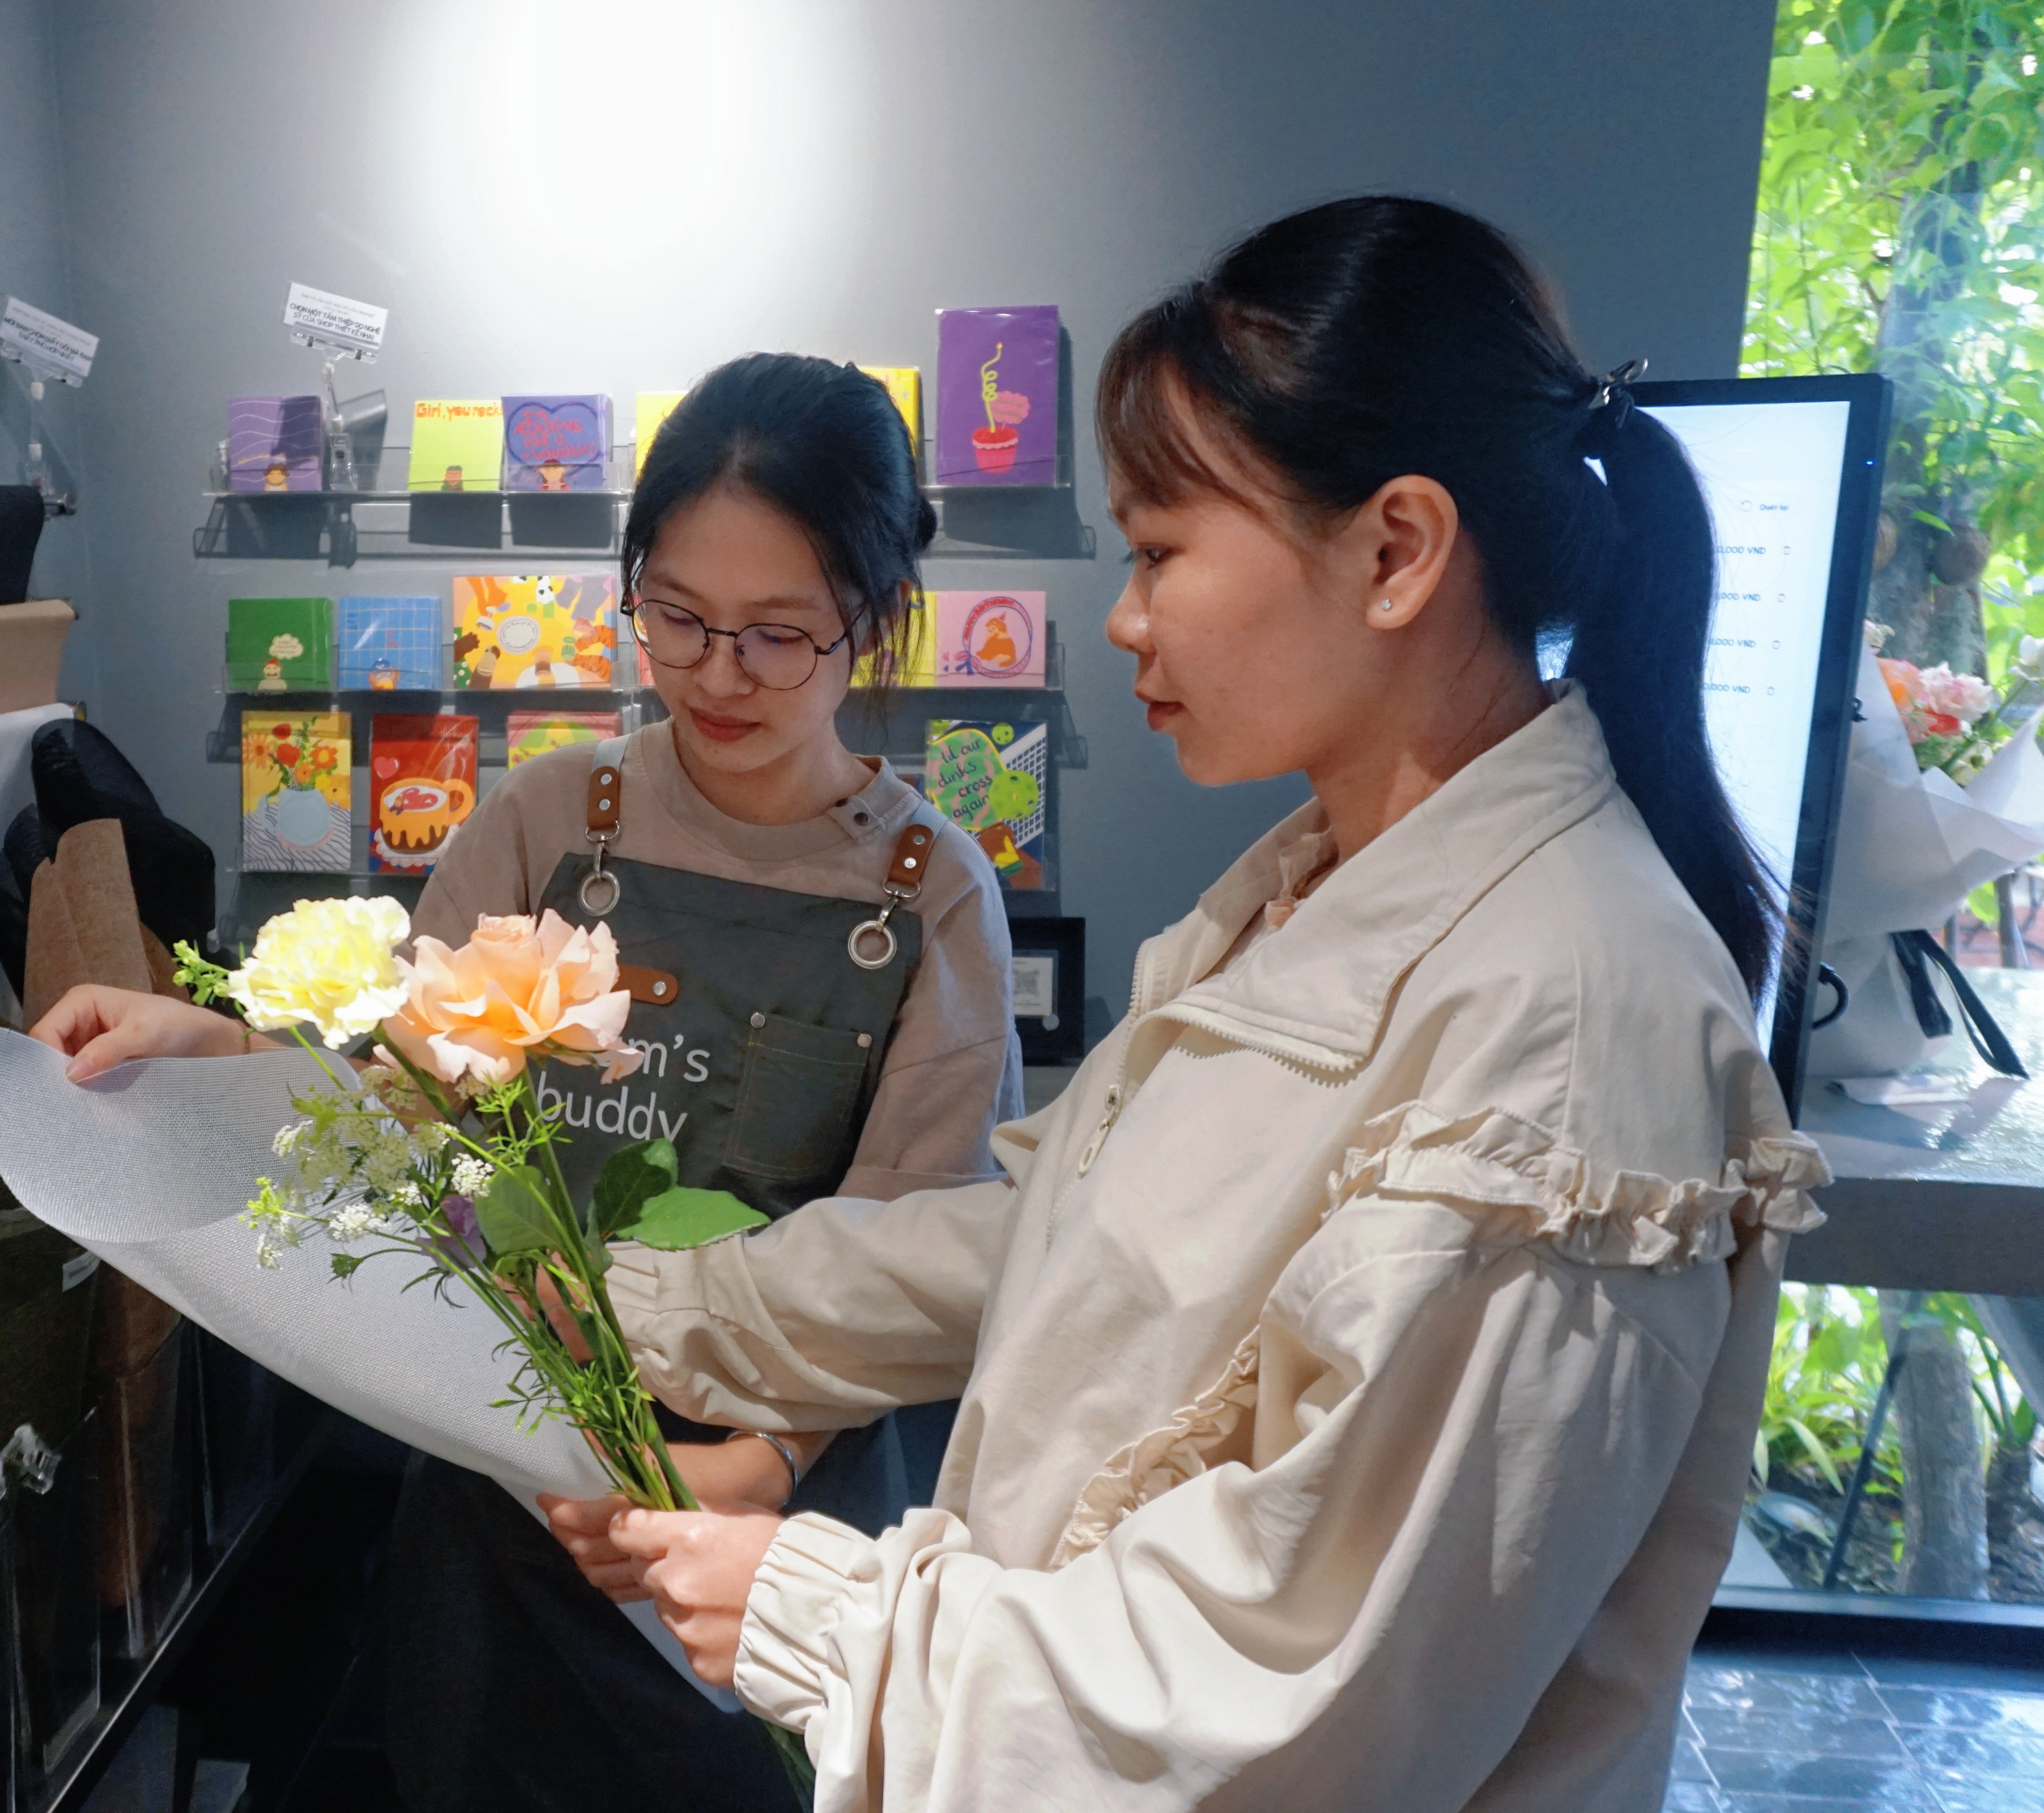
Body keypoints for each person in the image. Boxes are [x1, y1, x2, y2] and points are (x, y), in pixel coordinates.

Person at [540, 197, 1829, 1812]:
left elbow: (1310, 1692)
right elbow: (1050, 1237)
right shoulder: (1319, 894)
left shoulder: (1562, 1026)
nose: (1128, 617)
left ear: (1398, 550)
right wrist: (646, 1308)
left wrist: (822, 1617)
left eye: (1159, 552)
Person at [32, 352, 1024, 1812]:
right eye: (675, 617)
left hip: (761, 1541)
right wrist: (223, 1044)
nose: (717, 676)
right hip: (499, 1506)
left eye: (778, 636)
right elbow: (411, 1098)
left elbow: (911, 1244)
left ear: (870, 623)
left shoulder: (932, 893)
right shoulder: (554, 818)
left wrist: (759, 1464)